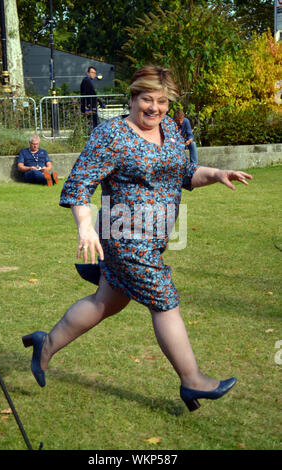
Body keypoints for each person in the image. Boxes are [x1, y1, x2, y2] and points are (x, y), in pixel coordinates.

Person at [22, 66, 252, 412]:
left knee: (107, 302)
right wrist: (85, 227)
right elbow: (80, 183)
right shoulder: (112, 134)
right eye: (147, 99)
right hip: (125, 237)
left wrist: (217, 173)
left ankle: (47, 344)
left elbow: (185, 172)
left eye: (162, 101)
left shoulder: (171, 130)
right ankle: (192, 381)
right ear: (132, 98)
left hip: (154, 237)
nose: (154, 108)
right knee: (164, 299)